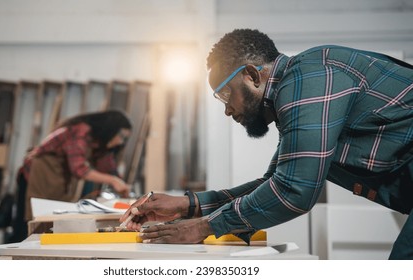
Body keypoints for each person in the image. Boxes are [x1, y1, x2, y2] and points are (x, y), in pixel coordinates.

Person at [120, 29, 413, 259]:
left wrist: (202, 227)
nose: (227, 109)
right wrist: (188, 206)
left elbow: (293, 192)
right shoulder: (296, 91)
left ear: (251, 75)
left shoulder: (310, 77)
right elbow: (274, 183)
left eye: (225, 95)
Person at [10, 110, 132, 242]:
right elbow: (79, 169)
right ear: (111, 127)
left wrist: (120, 182)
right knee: (34, 221)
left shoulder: (98, 141)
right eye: (121, 136)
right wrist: (113, 180)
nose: (121, 142)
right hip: (40, 172)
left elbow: (107, 165)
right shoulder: (81, 131)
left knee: (53, 217)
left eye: (125, 139)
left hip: (57, 176)